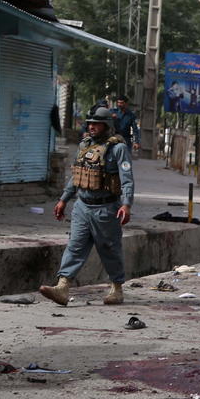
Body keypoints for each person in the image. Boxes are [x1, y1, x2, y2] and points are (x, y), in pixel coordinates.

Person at [39, 108, 134, 306]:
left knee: (110, 249)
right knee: (75, 246)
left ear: (106, 125)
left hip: (106, 208)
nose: (92, 126)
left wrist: (126, 204)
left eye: (96, 123)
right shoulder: (84, 146)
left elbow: (127, 180)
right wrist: (64, 199)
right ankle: (62, 287)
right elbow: (77, 176)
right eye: (90, 123)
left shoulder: (118, 149)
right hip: (82, 206)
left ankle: (117, 288)